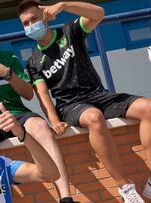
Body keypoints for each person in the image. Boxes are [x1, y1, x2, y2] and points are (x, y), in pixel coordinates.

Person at [17, 0, 151, 202]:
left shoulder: (69, 31)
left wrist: (63, 5)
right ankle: (124, 187)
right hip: (70, 106)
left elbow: (99, 13)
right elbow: (43, 94)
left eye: (34, 19)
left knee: (148, 108)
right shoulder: (33, 61)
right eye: (25, 23)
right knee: (94, 117)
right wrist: (54, 120)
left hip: (99, 95)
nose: (30, 26)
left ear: (44, 16)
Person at [0, 11, 76, 203]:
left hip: (18, 114)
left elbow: (28, 94)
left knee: (41, 128)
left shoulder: (8, 58)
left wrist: (7, 74)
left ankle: (66, 198)